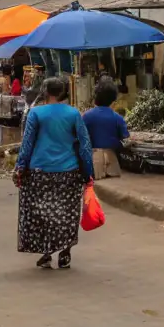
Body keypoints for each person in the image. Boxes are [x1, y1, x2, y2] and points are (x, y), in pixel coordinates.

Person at [14, 76, 94, 269]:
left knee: (43, 212)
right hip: (69, 170)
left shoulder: (36, 113)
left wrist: (20, 167)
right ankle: (65, 252)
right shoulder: (73, 113)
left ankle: (47, 252)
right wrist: (88, 172)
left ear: (45, 91)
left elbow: (27, 144)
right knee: (66, 212)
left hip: (39, 171)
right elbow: (85, 145)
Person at [82, 77, 128, 179]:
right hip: (112, 160)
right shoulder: (117, 118)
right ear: (113, 100)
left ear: (95, 98)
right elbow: (125, 137)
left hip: (93, 161)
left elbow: (81, 137)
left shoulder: (86, 116)